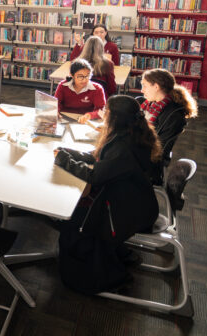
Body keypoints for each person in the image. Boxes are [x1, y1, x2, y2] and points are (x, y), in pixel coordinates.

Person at [53, 95, 161, 294]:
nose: (103, 114)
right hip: (132, 199)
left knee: (74, 221)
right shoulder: (129, 134)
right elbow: (99, 158)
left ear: (115, 118)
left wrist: (64, 160)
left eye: (107, 112)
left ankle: (89, 275)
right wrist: (68, 152)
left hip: (128, 211)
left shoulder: (123, 148)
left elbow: (94, 176)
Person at [139, 68, 199, 184]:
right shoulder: (150, 104)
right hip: (141, 151)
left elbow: (158, 149)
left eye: (144, 85)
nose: (142, 90)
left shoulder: (173, 116)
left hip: (149, 163)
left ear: (156, 87)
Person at [54, 58, 106, 123]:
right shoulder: (63, 86)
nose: (84, 80)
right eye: (80, 76)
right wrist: (56, 111)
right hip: (64, 118)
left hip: (85, 120)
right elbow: (56, 103)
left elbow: (102, 111)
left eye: (87, 76)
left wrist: (90, 115)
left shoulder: (97, 89)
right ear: (72, 75)